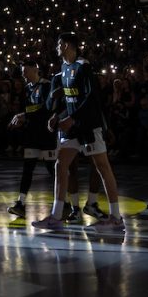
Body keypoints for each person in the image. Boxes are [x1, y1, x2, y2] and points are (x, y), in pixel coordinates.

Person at [32, 32, 124, 231]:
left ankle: (116, 217)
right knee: (60, 165)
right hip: (72, 127)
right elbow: (70, 99)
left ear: (66, 45)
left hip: (89, 125)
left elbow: (92, 98)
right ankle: (56, 216)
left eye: (58, 44)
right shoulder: (63, 69)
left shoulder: (84, 67)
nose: (56, 47)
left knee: (102, 167)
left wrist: (72, 118)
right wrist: (58, 116)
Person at [6, 60, 56, 218]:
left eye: (26, 71)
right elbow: (28, 110)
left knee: (51, 169)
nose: (23, 75)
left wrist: (24, 115)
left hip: (46, 134)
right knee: (27, 168)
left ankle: (64, 204)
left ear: (36, 70)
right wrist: (20, 119)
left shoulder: (47, 86)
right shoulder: (27, 89)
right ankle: (20, 203)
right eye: (22, 72)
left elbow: (46, 109)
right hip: (32, 134)